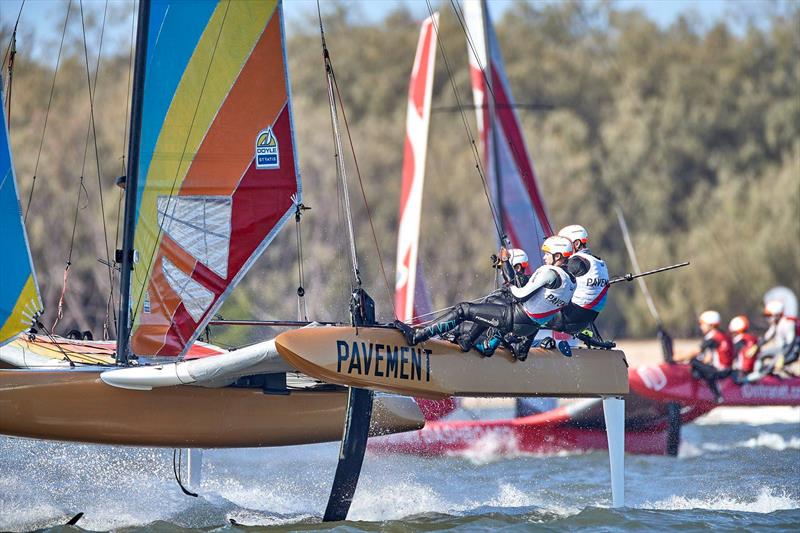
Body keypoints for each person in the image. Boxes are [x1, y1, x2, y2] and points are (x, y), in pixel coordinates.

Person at [394, 236, 576, 360]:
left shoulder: (549, 272)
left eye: (547, 253)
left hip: (516, 318)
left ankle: (417, 336)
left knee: (463, 309)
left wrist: (507, 274)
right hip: (529, 328)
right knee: (490, 305)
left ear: (558, 255)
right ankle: (467, 341)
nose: (544, 257)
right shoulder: (571, 282)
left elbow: (520, 294)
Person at [548, 224, 610, 335]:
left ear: (576, 244)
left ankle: (521, 345)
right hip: (590, 318)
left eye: (565, 243)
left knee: (531, 313)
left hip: (571, 318)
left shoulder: (574, 261)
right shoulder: (599, 261)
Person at [674, 310, 734, 402]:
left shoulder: (713, 337)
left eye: (702, 323)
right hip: (728, 370)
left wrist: (674, 359)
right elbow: (709, 357)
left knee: (693, 361)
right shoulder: (723, 335)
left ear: (710, 325)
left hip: (719, 372)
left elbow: (695, 352)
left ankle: (709, 395)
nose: (700, 326)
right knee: (699, 362)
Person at [753, 300, 799, 376]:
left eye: (769, 316)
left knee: (772, 364)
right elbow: (767, 337)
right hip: (781, 350)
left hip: (792, 352)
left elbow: (790, 344)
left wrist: (782, 356)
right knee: (760, 356)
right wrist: (756, 346)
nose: (767, 318)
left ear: (777, 315)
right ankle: (757, 376)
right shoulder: (776, 324)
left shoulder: (788, 324)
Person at [728, 315, 757, 380]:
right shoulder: (753, 338)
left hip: (741, 372)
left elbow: (732, 355)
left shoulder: (739, 339)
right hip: (753, 371)